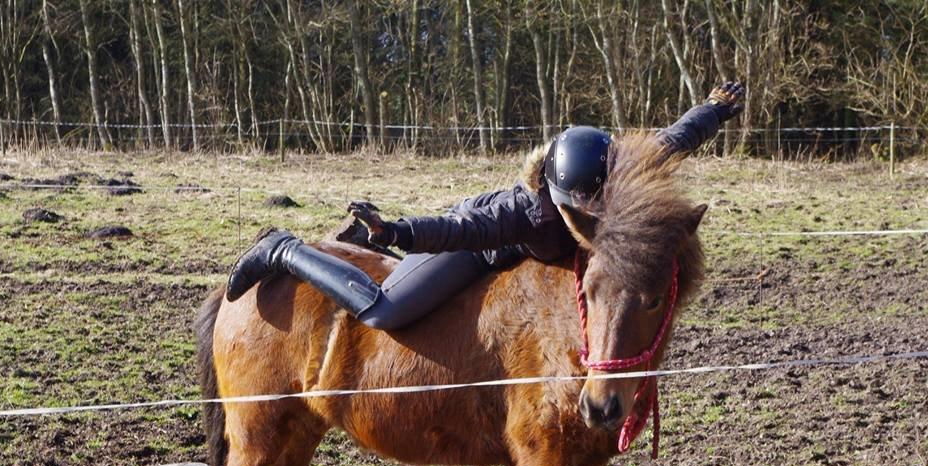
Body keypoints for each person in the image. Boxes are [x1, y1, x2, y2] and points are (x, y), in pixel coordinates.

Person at [226, 82, 745, 329]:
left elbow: (674, 139)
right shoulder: (520, 211)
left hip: (479, 236)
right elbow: (460, 230)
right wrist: (396, 233)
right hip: (475, 251)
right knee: (384, 312)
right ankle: (286, 251)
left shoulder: (616, 174)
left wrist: (716, 109)